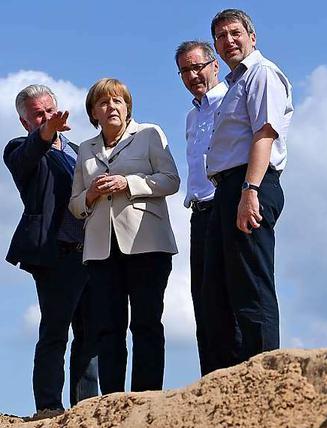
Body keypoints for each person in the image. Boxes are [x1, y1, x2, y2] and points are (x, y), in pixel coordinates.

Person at [68, 78, 179, 393]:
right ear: (94, 113)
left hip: (147, 243)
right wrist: (89, 195)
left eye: (118, 101)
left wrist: (129, 184)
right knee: (107, 327)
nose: (111, 107)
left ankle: (147, 396)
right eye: (103, 103)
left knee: (146, 323)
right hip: (101, 249)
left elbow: (171, 180)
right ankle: (113, 397)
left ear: (128, 107)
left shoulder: (149, 135)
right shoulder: (86, 149)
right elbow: (75, 206)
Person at [202, 8, 292, 372]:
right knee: (221, 289)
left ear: (251, 36)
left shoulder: (262, 74)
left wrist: (250, 189)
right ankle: (233, 375)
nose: (228, 41)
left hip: (250, 183)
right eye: (220, 37)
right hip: (226, 190)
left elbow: (265, 133)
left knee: (252, 285)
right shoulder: (234, 84)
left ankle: (264, 372)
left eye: (235, 33)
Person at [4, 85, 98, 416]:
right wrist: (45, 133)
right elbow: (28, 155)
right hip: (56, 254)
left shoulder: (79, 150)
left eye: (49, 111)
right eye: (37, 115)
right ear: (24, 121)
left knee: (91, 335)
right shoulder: (20, 148)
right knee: (55, 331)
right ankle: (48, 406)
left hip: (92, 252)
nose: (45, 118)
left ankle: (86, 406)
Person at [175, 39, 230, 376]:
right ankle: (210, 377)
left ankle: (237, 373)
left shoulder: (231, 100)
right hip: (199, 211)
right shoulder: (191, 116)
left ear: (215, 65)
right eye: (185, 70)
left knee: (229, 293)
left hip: (225, 203)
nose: (193, 74)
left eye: (198, 66)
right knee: (203, 298)